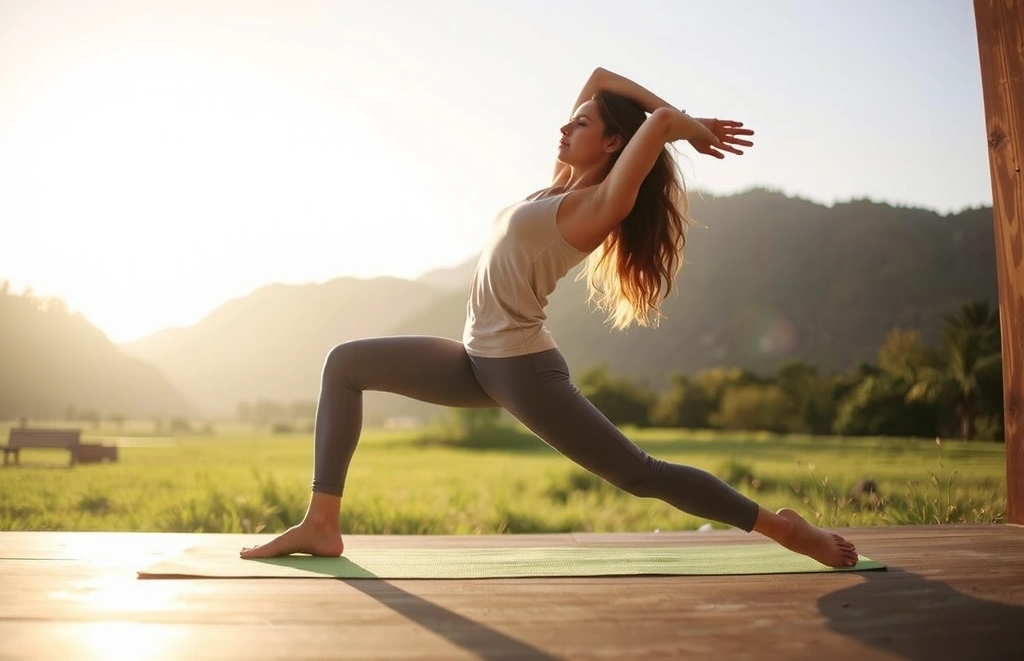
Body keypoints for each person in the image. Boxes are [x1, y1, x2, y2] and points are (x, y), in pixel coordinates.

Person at [240, 67, 858, 567]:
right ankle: (322, 523)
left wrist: (687, 128)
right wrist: (621, 114)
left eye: (582, 123)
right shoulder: (559, 184)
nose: (566, 126)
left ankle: (786, 530)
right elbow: (599, 76)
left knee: (639, 475)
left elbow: (661, 121)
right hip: (475, 360)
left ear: (613, 143)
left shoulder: (597, 205)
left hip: (522, 369)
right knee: (345, 364)